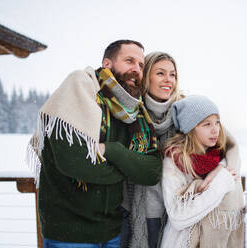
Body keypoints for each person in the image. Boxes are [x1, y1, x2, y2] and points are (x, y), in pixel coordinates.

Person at [25, 39, 162, 247]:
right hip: (69, 232)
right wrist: (129, 167)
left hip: (111, 231)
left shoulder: (135, 111)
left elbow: (151, 172)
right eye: (129, 61)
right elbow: (78, 164)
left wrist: (113, 151)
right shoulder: (80, 87)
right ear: (107, 63)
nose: (136, 69)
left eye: (141, 65)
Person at [160, 95, 245, 247]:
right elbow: (177, 217)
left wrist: (219, 169)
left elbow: (233, 155)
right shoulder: (174, 161)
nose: (215, 130)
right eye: (207, 124)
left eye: (217, 123)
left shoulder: (219, 155)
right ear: (191, 129)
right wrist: (219, 184)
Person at [122, 52, 182, 248]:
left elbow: (224, 142)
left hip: (171, 218)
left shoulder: (184, 113)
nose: (168, 80)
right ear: (146, 75)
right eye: (160, 73)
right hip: (127, 213)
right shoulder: (127, 113)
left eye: (172, 75)